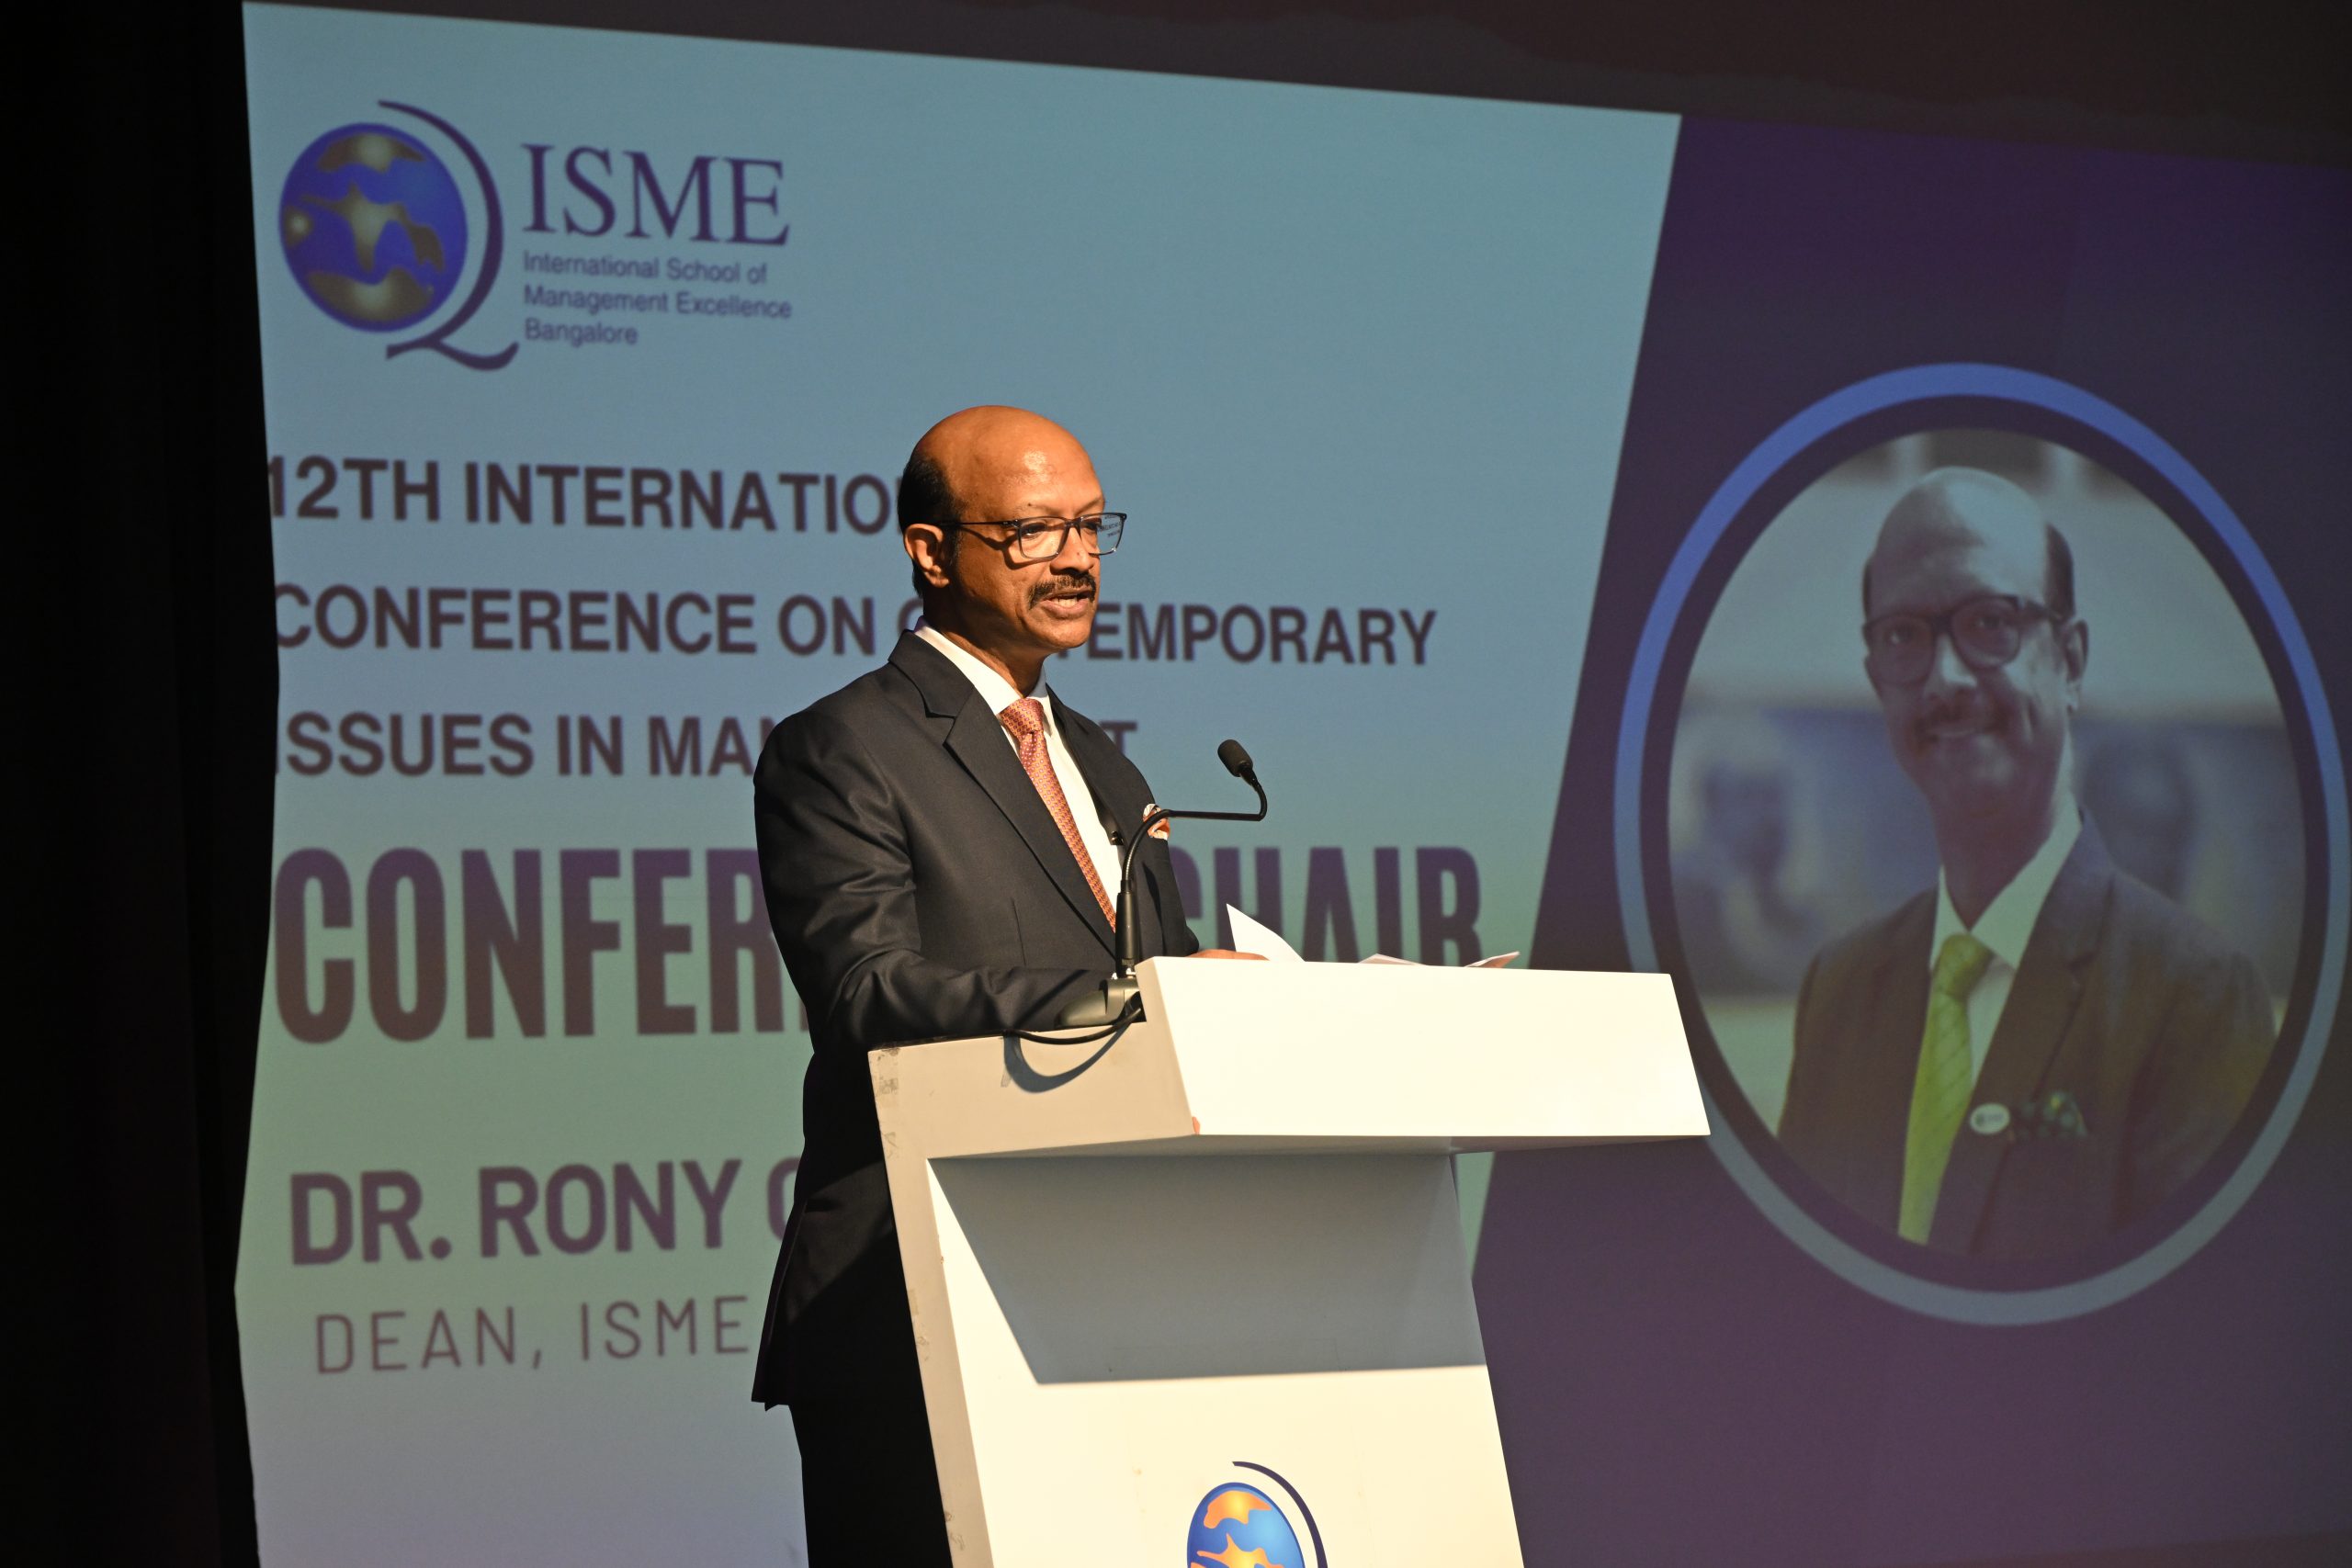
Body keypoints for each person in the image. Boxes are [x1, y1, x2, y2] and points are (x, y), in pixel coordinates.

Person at [748, 406, 1258, 1565]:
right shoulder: (842, 747)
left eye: (1091, 527)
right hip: (921, 1295)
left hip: (1117, 1289)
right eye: (1034, 531)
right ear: (930, 551)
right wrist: (1132, 997)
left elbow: (1157, 1007)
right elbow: (866, 992)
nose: (1076, 559)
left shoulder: (1103, 761)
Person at [1778, 467, 2272, 1261]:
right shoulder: (1838, 991)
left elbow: (2188, 1327)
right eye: (1903, 636)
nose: (1944, 677)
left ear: (2069, 662)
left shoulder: (2195, 1001)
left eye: (1989, 622)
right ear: (1877, 680)